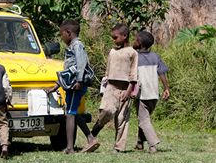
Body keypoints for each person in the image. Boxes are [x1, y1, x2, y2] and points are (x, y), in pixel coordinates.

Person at [47, 20, 99, 154]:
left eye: (62, 35)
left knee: (70, 114)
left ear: (68, 33)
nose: (62, 38)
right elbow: (69, 70)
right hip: (71, 84)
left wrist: (79, 81)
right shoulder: (72, 46)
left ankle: (70, 147)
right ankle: (91, 138)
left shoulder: (77, 46)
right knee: (73, 112)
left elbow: (81, 64)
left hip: (76, 84)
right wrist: (56, 86)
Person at [90, 23, 138, 152]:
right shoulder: (112, 52)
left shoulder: (132, 53)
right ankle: (95, 130)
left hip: (125, 89)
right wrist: (103, 88)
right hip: (111, 87)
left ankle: (119, 147)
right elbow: (107, 72)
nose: (114, 40)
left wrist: (129, 91)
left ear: (124, 36)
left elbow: (133, 74)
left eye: (115, 37)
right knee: (106, 111)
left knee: (122, 119)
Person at [133, 30, 170, 153]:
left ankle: (152, 144)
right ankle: (139, 143)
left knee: (144, 120)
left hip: (141, 94)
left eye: (135, 39)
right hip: (154, 94)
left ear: (138, 42)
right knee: (144, 118)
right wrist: (166, 88)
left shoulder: (135, 57)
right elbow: (162, 73)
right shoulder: (155, 56)